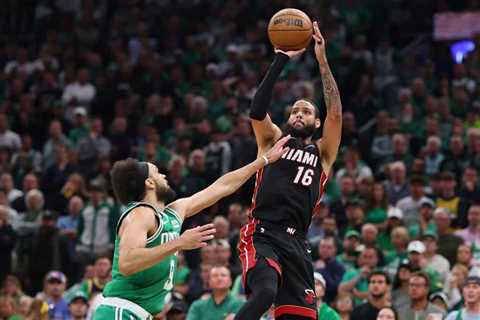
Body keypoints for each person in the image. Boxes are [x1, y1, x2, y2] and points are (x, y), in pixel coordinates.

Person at [93, 136, 289, 319]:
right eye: (157, 173)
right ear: (149, 183)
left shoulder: (173, 212)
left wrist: (264, 160)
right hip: (121, 310)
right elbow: (126, 263)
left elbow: (223, 186)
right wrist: (179, 243)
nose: (163, 175)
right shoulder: (140, 213)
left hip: (139, 313)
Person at [236, 22, 342, 320]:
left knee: (303, 316)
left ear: (316, 123)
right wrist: (280, 58)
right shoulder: (272, 140)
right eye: (295, 110)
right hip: (263, 232)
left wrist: (322, 61)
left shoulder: (323, 153)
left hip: (297, 243)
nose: (298, 114)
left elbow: (335, 112)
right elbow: (256, 111)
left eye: (306, 111)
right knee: (267, 291)